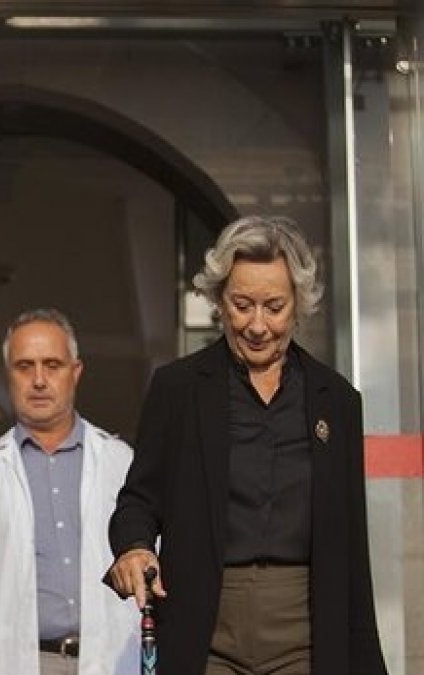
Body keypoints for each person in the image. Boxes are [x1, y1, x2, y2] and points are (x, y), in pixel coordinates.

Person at [105, 215, 387, 675]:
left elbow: (352, 550)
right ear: (221, 300)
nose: (257, 325)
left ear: (298, 305)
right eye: (242, 305)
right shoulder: (178, 389)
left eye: (274, 307)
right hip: (205, 633)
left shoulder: (336, 401)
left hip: (306, 637)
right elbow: (139, 499)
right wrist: (134, 546)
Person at [0, 309, 137, 675]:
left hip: (112, 661)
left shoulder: (121, 464)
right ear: (8, 374)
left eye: (52, 365)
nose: (38, 380)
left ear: (76, 372)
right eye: (25, 366)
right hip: (20, 663)